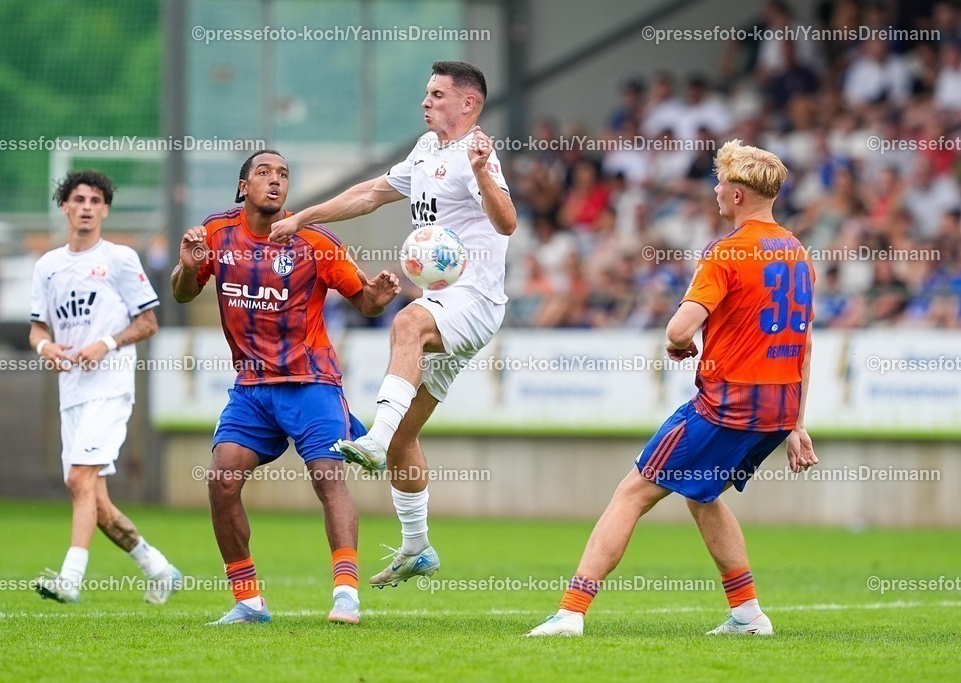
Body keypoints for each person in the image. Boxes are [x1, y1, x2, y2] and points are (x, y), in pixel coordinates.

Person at [526, 140, 818, 637]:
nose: (715, 189)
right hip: (778, 408)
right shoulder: (797, 252)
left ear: (740, 195)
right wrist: (797, 423)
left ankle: (571, 613)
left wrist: (678, 343)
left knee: (632, 492)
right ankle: (748, 614)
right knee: (702, 495)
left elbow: (681, 328)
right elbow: (804, 343)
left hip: (727, 404)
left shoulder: (726, 252)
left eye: (722, 181)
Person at [269, 60, 517, 587]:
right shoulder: (427, 151)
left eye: (437, 94)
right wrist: (301, 217)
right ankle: (416, 545)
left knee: (407, 323)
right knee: (408, 433)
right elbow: (372, 194)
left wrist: (480, 172)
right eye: (425, 93)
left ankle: (374, 440)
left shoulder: (478, 157)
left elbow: (507, 223)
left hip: (474, 297)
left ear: (468, 104)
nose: (425, 102)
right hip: (446, 300)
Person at [171, 150, 401, 625]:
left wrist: (376, 297)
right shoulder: (216, 233)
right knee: (222, 478)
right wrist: (188, 266)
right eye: (264, 173)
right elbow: (182, 292)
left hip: (310, 382)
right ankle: (248, 600)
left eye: (283, 175)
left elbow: (366, 304)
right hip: (252, 388)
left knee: (327, 477)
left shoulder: (314, 240)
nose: (275, 181)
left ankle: (346, 594)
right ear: (242, 187)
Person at [30, 171, 181, 604]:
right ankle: (159, 568)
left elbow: (148, 322)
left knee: (80, 478)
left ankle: (70, 581)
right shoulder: (48, 266)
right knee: (94, 504)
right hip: (71, 393)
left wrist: (106, 342)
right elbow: (37, 329)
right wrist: (46, 349)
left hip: (110, 388)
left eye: (95, 200)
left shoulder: (119, 259)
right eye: (78, 199)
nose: (86, 206)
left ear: (105, 209)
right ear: (65, 207)